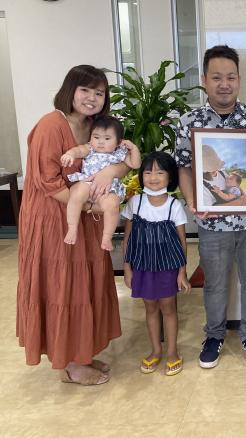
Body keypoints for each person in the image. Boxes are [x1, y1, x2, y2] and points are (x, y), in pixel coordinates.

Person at [16, 65, 127, 385]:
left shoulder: (95, 126)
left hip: (86, 217)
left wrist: (110, 172)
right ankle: (71, 365)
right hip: (53, 220)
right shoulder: (51, 126)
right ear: (70, 91)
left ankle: (81, 353)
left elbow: (121, 157)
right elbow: (49, 182)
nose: (92, 98)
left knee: (85, 284)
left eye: (99, 92)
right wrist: (90, 205)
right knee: (64, 286)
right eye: (85, 90)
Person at [175, 45, 246, 368]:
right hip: (211, 223)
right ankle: (214, 336)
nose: (225, 84)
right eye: (217, 77)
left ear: (239, 79)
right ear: (205, 79)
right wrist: (192, 202)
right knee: (215, 284)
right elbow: (183, 168)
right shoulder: (190, 121)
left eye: (231, 77)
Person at [122, 152, 191, 376]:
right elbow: (127, 238)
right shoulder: (135, 203)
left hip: (168, 267)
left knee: (169, 309)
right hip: (142, 266)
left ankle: (172, 352)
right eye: (148, 172)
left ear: (170, 177)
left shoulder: (174, 205)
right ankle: (155, 351)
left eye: (160, 172)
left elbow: (182, 241)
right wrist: (127, 268)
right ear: (141, 175)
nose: (153, 177)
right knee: (150, 308)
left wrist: (182, 272)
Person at [62, 115, 141, 251]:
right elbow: (78, 150)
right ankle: (72, 227)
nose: (100, 142)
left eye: (107, 138)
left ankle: (107, 237)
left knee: (112, 205)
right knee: (77, 194)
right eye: (96, 137)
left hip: (108, 189)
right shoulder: (90, 148)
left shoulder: (119, 153)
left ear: (119, 142)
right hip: (88, 182)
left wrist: (133, 149)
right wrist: (70, 154)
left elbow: (135, 164)